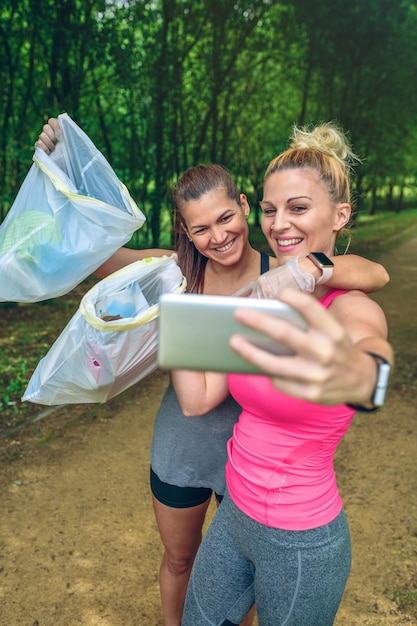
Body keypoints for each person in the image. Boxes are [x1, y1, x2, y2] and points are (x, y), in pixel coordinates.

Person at [36, 120, 389, 626]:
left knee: (234, 588)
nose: (217, 236)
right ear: (185, 231)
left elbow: (371, 275)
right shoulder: (176, 271)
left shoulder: (280, 274)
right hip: (186, 445)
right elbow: (100, 259)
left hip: (242, 462)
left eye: (227, 218)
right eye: (200, 228)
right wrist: (65, 169)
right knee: (183, 560)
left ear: (244, 207)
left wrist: (319, 279)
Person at [170, 122, 394, 626]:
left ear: (340, 215)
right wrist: (173, 320)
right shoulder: (266, 301)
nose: (278, 223)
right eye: (271, 210)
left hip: (302, 540)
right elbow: (197, 397)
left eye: (297, 208)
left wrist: (362, 377)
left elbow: (369, 356)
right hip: (232, 521)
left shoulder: (347, 306)